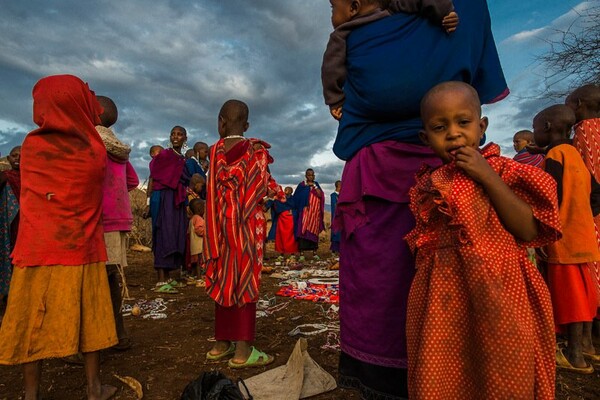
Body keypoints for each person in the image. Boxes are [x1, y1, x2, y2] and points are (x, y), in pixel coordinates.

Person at [328, 0, 509, 397]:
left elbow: (468, 90)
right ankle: (383, 378)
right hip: (378, 174)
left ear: (479, 127)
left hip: (449, 175)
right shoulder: (354, 27)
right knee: (382, 282)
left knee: (451, 283)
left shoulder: (464, 8)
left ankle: (450, 373)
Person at [406, 81, 559, 399]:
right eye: (439, 127)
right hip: (444, 300)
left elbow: (529, 231)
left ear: (481, 126)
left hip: (501, 295)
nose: (453, 133)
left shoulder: (504, 170)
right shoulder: (428, 186)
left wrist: (486, 176)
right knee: (445, 370)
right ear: (425, 138)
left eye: (463, 122)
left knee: (503, 370)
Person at [0, 74, 118, 400]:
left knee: (29, 322)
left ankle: (30, 393)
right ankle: (94, 389)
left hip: (35, 249)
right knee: (90, 318)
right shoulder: (95, 150)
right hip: (82, 248)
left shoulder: (32, 146)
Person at [204, 99, 283, 368]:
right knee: (245, 281)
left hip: (220, 227)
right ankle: (242, 352)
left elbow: (212, 192)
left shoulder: (214, 152)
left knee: (224, 278)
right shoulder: (256, 151)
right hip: (247, 227)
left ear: (220, 122)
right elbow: (260, 189)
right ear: (247, 125)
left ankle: (220, 345)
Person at [533, 104, 600, 373]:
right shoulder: (575, 156)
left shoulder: (555, 157)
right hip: (584, 235)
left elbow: (550, 198)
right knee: (585, 293)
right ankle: (588, 347)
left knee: (569, 296)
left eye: (536, 128)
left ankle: (574, 356)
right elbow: (597, 194)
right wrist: (582, 215)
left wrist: (544, 229)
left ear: (547, 128)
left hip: (563, 239)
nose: (535, 133)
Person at [322, 0, 459, 120]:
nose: (331, 15)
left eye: (333, 8)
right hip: (424, 96)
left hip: (375, 113)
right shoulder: (393, 10)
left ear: (353, 8)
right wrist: (445, 12)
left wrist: (336, 101)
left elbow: (331, 69)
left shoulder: (340, 35)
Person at [96, 95, 139, 351]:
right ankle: (119, 333)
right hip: (119, 220)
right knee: (111, 275)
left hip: (98, 218)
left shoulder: (90, 141)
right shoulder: (119, 148)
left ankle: (98, 338)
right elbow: (132, 180)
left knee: (93, 278)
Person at [566, 83, 600, 339]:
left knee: (590, 268)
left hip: (590, 211)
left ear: (578, 105)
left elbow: (583, 172)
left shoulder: (585, 130)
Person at [146, 126, 190, 292]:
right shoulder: (165, 155)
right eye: (173, 134)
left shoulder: (182, 159)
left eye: (179, 134)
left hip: (176, 199)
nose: (175, 137)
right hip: (163, 197)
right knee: (163, 232)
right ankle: (160, 279)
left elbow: (185, 179)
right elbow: (154, 174)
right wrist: (149, 202)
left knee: (175, 234)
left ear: (185, 138)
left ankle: (169, 276)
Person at [0, 146, 21, 307]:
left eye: (21, 155)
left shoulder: (32, 178)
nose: (18, 159)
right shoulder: (5, 177)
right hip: (10, 224)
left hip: (26, 226)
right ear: (8, 158)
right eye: (14, 156)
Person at [292, 169, 325, 259]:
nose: (311, 176)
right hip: (304, 212)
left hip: (314, 213)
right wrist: (306, 189)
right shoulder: (302, 185)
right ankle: (302, 253)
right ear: (306, 176)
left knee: (314, 232)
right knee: (303, 231)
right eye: (309, 175)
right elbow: (296, 197)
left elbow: (320, 195)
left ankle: (314, 253)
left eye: (312, 175)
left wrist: (314, 186)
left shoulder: (316, 184)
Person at [274, 186, 298, 256]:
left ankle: (292, 253)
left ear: (291, 191)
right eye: (285, 190)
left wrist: (293, 212)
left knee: (291, 236)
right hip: (282, 219)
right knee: (281, 235)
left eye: (288, 190)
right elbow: (277, 207)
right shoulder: (280, 199)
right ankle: (281, 253)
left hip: (291, 220)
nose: (286, 191)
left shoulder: (294, 199)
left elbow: (296, 207)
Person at [188, 198, 205, 286]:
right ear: (199, 209)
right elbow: (199, 230)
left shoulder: (192, 219)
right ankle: (199, 279)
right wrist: (207, 231)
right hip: (198, 245)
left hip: (193, 245)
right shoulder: (199, 219)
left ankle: (191, 278)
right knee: (198, 263)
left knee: (195, 263)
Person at [330, 180, 341, 254]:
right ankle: (334, 250)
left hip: (342, 216)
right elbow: (335, 206)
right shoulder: (333, 195)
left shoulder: (343, 195)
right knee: (336, 232)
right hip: (336, 216)